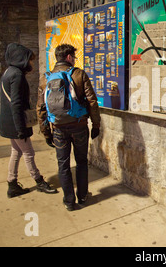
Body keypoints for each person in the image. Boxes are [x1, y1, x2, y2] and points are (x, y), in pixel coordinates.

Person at [37, 44, 101, 211]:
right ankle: (82, 196)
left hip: (58, 128)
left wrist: (46, 133)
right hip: (79, 126)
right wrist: (96, 125)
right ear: (68, 57)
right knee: (81, 162)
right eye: (74, 56)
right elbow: (92, 101)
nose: (74, 59)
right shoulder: (79, 74)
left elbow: (40, 108)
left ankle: (68, 201)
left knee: (63, 165)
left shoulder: (46, 78)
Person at [0, 43, 57, 198]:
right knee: (28, 152)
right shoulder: (17, 75)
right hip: (15, 122)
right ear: (21, 59)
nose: (31, 63)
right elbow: (16, 104)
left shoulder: (8, 72)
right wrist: (20, 129)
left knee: (16, 151)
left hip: (8, 121)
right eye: (29, 60)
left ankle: (12, 183)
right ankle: (39, 181)